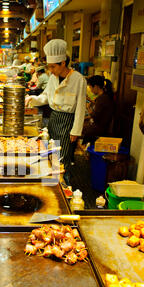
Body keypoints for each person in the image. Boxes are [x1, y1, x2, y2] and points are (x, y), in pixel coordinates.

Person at [25, 39, 87, 185]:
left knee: (62, 157)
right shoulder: (53, 78)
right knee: (50, 152)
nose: (51, 70)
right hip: (54, 118)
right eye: (49, 67)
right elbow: (46, 96)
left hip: (68, 121)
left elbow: (80, 107)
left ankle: (64, 186)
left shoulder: (78, 80)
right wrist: (32, 98)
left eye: (53, 67)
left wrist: (76, 131)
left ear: (63, 63)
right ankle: (50, 182)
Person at [82, 75, 115, 145]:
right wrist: (91, 101)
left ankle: (85, 148)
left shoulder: (102, 99)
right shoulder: (104, 96)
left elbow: (94, 116)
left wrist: (88, 107)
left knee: (79, 128)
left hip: (99, 128)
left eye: (90, 87)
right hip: (100, 126)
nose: (90, 90)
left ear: (96, 86)